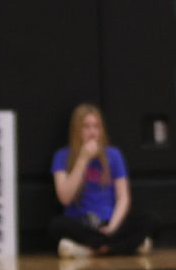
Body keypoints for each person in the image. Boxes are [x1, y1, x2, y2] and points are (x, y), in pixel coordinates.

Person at [50, 103, 154, 258]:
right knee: (56, 225)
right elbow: (64, 198)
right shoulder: (62, 155)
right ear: (76, 130)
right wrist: (83, 159)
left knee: (150, 220)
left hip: (110, 222)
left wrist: (112, 227)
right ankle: (121, 246)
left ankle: (91, 249)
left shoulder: (113, 154)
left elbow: (123, 197)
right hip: (82, 223)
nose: (92, 132)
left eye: (96, 127)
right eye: (86, 127)